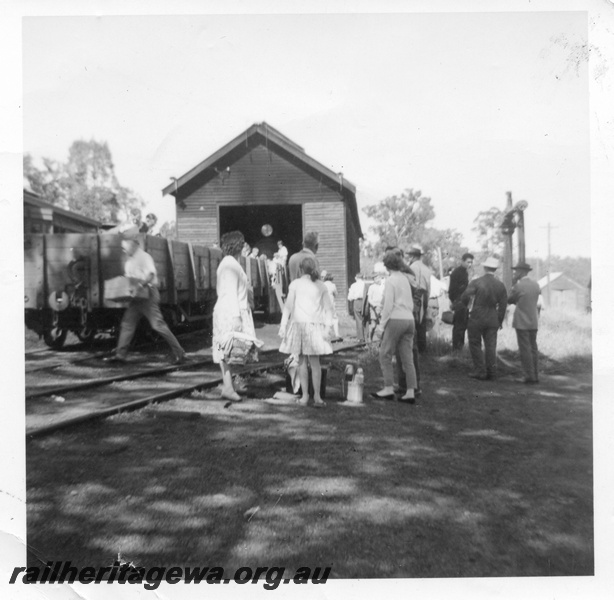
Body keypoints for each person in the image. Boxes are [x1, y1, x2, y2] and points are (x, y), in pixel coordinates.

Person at [103, 232, 186, 364]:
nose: (124, 249)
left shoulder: (144, 257)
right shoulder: (129, 261)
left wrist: (139, 286)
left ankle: (179, 352)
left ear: (133, 244)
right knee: (127, 324)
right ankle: (120, 355)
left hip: (148, 295)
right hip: (137, 298)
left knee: (158, 325)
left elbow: (151, 274)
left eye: (125, 246)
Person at [212, 231, 263, 402]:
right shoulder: (230, 265)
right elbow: (231, 293)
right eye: (242, 245)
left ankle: (229, 386)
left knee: (228, 351)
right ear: (237, 246)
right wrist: (236, 317)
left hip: (230, 310)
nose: (244, 248)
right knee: (226, 350)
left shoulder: (230, 263)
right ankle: (227, 387)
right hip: (230, 312)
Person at [278, 256, 334, 407]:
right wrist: (328, 327)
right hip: (315, 326)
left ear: (300, 269)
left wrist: (283, 326)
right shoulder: (321, 285)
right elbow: (329, 309)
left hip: (299, 326)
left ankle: (304, 396)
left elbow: (288, 307)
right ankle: (317, 397)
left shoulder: (295, 284)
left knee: (301, 362)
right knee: (315, 363)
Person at [372, 251, 418, 404]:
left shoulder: (391, 280)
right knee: (407, 358)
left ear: (386, 266)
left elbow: (388, 305)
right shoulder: (405, 279)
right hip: (409, 320)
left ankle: (388, 388)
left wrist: (380, 327)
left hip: (396, 319)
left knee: (385, 354)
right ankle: (410, 391)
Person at [461, 256, 508, 380]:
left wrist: (466, 306)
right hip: (492, 317)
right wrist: (500, 321)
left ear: (485, 267)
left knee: (475, 343)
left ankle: (480, 370)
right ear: (495, 269)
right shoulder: (500, 285)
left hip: (477, 316)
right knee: (491, 346)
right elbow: (503, 306)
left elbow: (465, 296)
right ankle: (492, 373)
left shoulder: (477, 282)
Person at [507, 262, 541, 384]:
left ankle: (528, 375)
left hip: (522, 321)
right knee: (533, 348)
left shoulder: (518, 286)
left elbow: (510, 299)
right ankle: (535, 375)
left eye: (516, 271)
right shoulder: (536, 285)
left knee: (525, 349)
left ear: (521, 272)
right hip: (533, 321)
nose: (515, 273)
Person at [406, 244, 431, 352]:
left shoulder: (411, 268)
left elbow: (410, 284)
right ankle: (422, 348)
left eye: (409, 256)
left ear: (412, 256)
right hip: (424, 295)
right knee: (422, 322)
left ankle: (414, 348)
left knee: (414, 321)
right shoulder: (426, 268)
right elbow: (429, 286)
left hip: (415, 294)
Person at [448, 252, 474, 350]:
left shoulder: (465, 272)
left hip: (464, 303)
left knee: (462, 326)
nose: (470, 264)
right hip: (460, 302)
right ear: (462, 261)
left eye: (471, 262)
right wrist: (456, 301)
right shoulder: (457, 272)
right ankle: (457, 348)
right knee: (459, 327)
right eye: (468, 262)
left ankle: (459, 348)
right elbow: (451, 290)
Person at [321, 271, 341, 341]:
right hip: (331, 304)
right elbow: (336, 294)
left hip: (323, 304)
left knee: (324, 318)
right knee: (334, 319)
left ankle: (326, 333)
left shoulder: (322, 285)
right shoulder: (333, 285)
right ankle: (337, 334)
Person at [366, 272, 385, 341]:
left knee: (383, 324)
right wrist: (374, 305)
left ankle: (382, 340)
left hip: (382, 307)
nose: (377, 279)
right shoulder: (372, 287)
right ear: (373, 280)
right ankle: (370, 339)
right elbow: (369, 299)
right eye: (375, 278)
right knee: (373, 325)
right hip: (374, 307)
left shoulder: (383, 286)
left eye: (378, 278)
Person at [347, 273, 366, 341]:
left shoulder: (353, 285)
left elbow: (350, 297)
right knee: (366, 319)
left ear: (356, 278)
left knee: (358, 319)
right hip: (365, 302)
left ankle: (360, 337)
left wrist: (351, 298)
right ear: (363, 277)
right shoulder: (365, 285)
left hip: (357, 302)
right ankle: (367, 336)